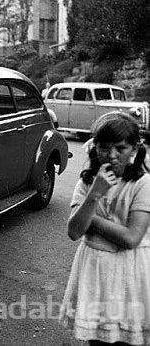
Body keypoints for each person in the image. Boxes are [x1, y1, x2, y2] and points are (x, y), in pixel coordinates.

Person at [59, 111, 150, 345]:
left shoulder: (142, 183)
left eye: (121, 148)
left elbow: (131, 238)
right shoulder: (87, 182)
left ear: (134, 149)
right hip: (94, 270)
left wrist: (92, 221)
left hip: (129, 271)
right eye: (104, 148)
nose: (111, 156)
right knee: (97, 338)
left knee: (127, 338)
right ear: (94, 147)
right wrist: (95, 193)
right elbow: (74, 231)